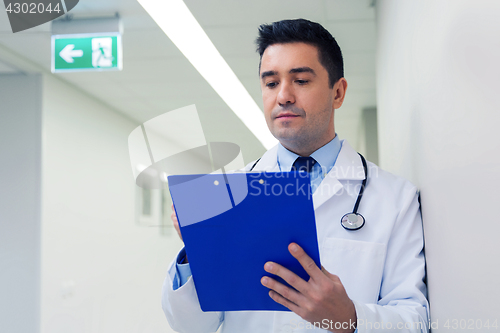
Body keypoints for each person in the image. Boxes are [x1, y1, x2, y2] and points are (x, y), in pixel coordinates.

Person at [161, 19, 429, 333]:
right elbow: (190, 326)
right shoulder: (227, 195)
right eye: (271, 83)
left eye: (300, 80)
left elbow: (416, 320)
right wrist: (197, 254)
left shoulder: (395, 198)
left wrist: (351, 319)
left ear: (338, 93)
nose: (283, 96)